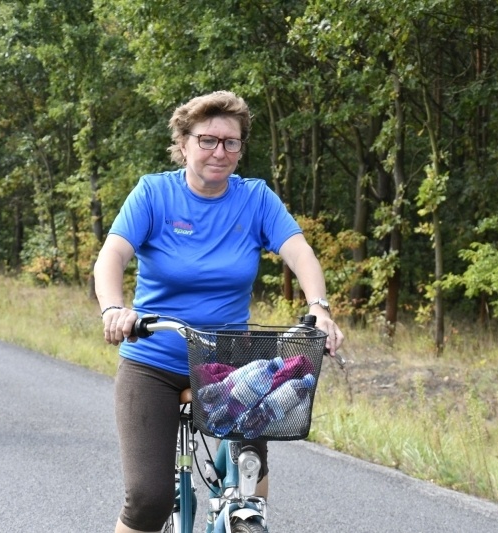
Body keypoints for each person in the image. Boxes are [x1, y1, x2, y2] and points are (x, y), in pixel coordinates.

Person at [94, 90, 345, 533]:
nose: (220, 151)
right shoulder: (154, 193)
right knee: (149, 499)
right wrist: (115, 308)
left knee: (248, 478)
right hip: (153, 361)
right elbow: (111, 257)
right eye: (208, 140)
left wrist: (319, 309)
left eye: (231, 142)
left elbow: (301, 254)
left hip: (227, 363)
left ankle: (246, 518)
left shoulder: (255, 199)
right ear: (184, 143)